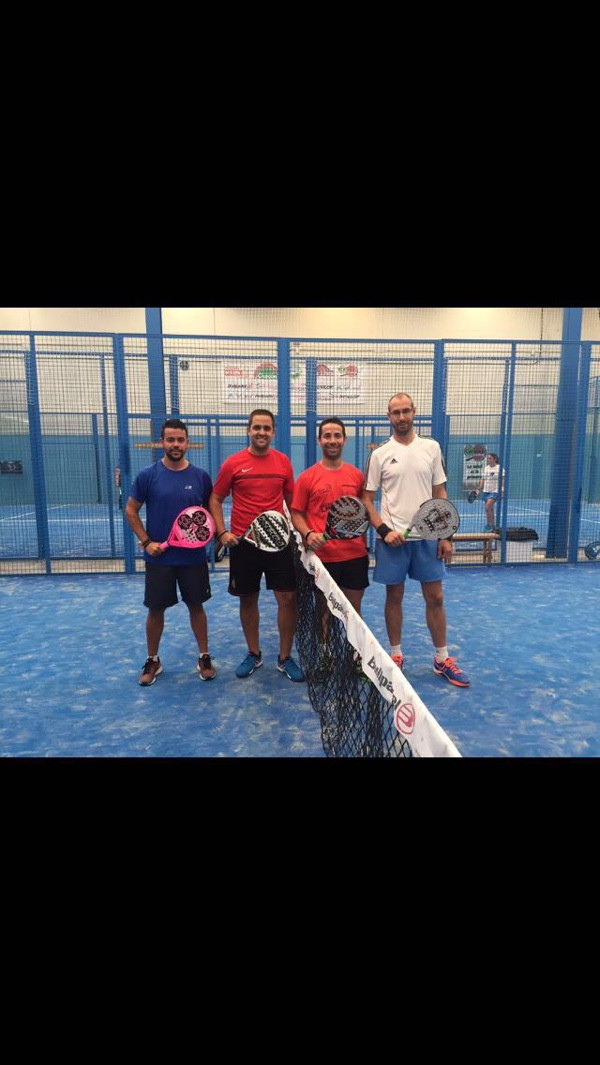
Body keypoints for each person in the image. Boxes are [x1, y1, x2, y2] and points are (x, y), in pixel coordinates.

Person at [362, 392, 470, 687]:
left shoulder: (431, 448)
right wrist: (384, 531)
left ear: (414, 412)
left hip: (428, 538)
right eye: (395, 412)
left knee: (436, 598)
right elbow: (367, 499)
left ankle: (441, 658)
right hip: (392, 540)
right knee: (393, 597)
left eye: (405, 411)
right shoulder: (379, 454)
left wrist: (445, 535)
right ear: (389, 416)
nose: (401, 417)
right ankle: (396, 655)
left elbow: (440, 493)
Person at [208, 409, 304, 682]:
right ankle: (254, 653)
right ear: (249, 430)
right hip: (244, 543)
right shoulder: (233, 464)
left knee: (287, 598)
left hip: (278, 542)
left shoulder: (283, 462)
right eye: (257, 427)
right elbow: (215, 499)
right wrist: (222, 532)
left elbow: (292, 502)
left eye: (266, 428)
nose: (262, 432)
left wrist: (303, 534)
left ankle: (285, 658)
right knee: (248, 598)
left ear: (273, 432)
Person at [125, 418, 216, 686]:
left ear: (187, 443)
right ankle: (153, 659)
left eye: (180, 440)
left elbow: (208, 513)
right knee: (155, 610)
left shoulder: (201, 477)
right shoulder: (148, 475)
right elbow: (131, 510)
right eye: (170, 440)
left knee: (196, 606)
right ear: (162, 442)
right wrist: (146, 541)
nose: (175, 444)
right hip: (159, 559)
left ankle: (204, 656)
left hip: (193, 558)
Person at [290, 417, 369, 676]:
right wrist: (308, 533)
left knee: (353, 609)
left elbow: (363, 511)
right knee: (323, 607)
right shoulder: (307, 477)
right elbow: (297, 513)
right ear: (319, 440)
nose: (332, 440)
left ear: (344, 440)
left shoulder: (356, 476)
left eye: (337, 436)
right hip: (323, 559)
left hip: (354, 554)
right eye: (327, 436)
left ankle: (355, 654)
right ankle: (325, 654)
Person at [477, 452, 504, 530]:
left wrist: (502, 491)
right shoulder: (486, 468)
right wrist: (479, 489)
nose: (488, 460)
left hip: (495, 491)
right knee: (489, 509)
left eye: (490, 458)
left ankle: (491, 525)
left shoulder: (499, 468)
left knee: (488, 506)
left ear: (494, 459)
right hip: (486, 491)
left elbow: (503, 481)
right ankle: (490, 524)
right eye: (487, 458)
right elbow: (483, 479)